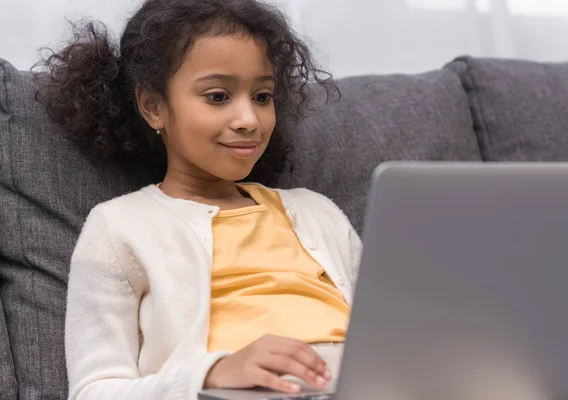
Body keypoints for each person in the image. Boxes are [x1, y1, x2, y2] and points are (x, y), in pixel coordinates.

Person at [35, 1, 362, 399]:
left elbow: (394, 330)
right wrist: (211, 373)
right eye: (218, 96)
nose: (249, 120)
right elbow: (94, 391)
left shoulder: (317, 211)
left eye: (262, 96)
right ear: (154, 106)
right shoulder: (117, 226)